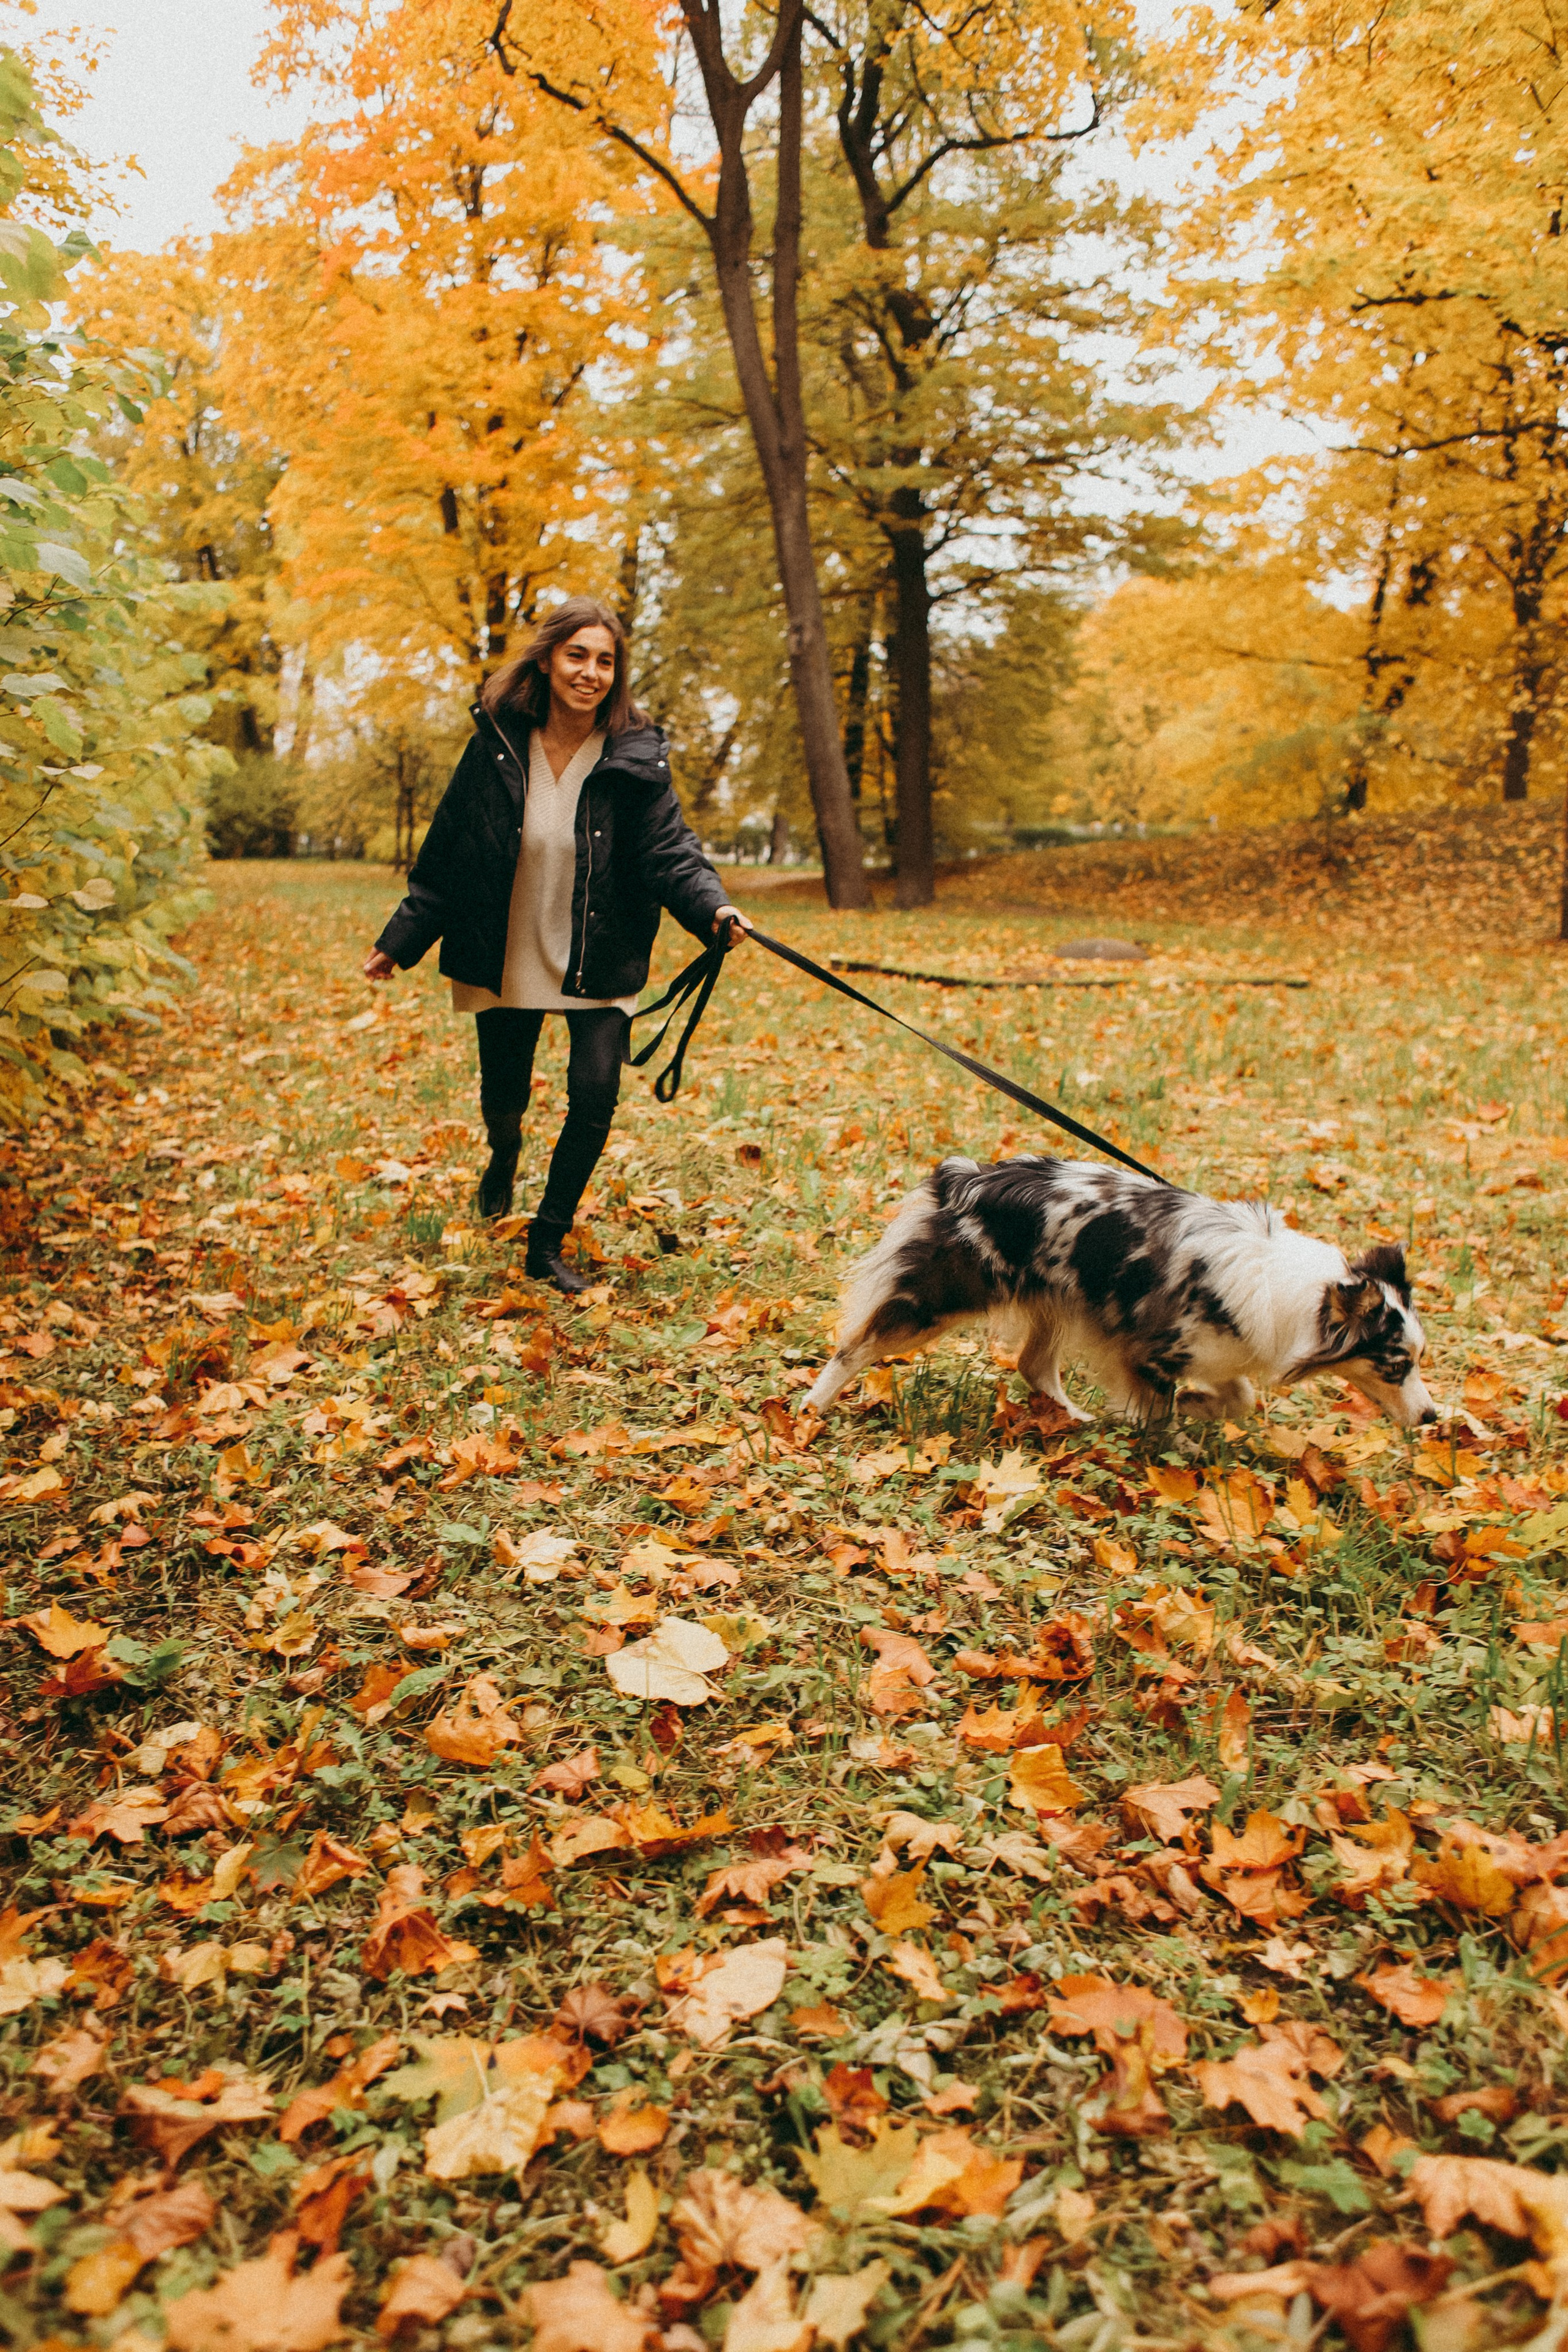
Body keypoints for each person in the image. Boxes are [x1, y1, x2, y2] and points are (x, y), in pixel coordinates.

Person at [363, 597, 749, 1293]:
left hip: (600, 948)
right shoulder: (497, 743)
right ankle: (502, 1156)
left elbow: (671, 851)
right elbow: (451, 846)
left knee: (595, 1095)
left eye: (605, 660)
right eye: (578, 655)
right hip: (503, 944)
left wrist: (712, 907)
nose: (590, 672)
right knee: (504, 1096)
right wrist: (402, 938)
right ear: (547, 658)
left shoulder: (635, 755)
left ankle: (546, 1241)